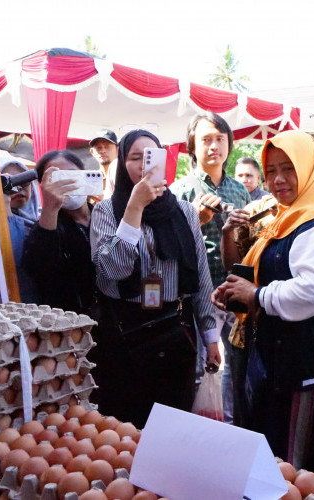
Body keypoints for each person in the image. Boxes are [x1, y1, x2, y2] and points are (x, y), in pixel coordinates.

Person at [212, 130, 314, 485]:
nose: (277, 179)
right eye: (271, 169)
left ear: (308, 168)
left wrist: (257, 296)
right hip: (277, 362)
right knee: (274, 469)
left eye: (288, 168)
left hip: (306, 370)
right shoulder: (286, 216)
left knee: (300, 473)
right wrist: (238, 292)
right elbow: (261, 270)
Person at [91, 129, 221, 428]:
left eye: (151, 157)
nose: (143, 166)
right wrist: (134, 208)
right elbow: (112, 270)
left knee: (172, 421)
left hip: (175, 328)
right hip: (125, 331)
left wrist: (210, 335)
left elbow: (200, 276)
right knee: (126, 424)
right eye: (135, 158)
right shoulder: (106, 211)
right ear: (122, 165)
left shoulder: (184, 211)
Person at [170, 112, 251, 424]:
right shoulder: (180, 191)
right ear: (192, 145)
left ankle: (231, 424)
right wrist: (197, 220)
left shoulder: (239, 191)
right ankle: (201, 427)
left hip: (234, 288)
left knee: (235, 367)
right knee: (204, 367)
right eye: (206, 139)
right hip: (199, 295)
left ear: (229, 144)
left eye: (220, 138)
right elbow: (172, 251)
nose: (214, 146)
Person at [22, 150, 95, 315]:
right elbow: (43, 269)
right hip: (74, 322)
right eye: (57, 179)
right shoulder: (46, 227)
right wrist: (50, 208)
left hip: (118, 317)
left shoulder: (106, 215)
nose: (67, 183)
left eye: (72, 175)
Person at [0, 157, 40, 303]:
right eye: (9, 182)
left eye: (25, 181)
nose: (18, 188)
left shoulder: (44, 219)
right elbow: (12, 257)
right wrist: (3, 205)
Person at [90, 129, 118, 199]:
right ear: (92, 152)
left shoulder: (125, 176)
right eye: (98, 147)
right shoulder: (90, 180)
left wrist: (105, 200)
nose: (103, 151)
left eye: (107, 146)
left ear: (118, 150)